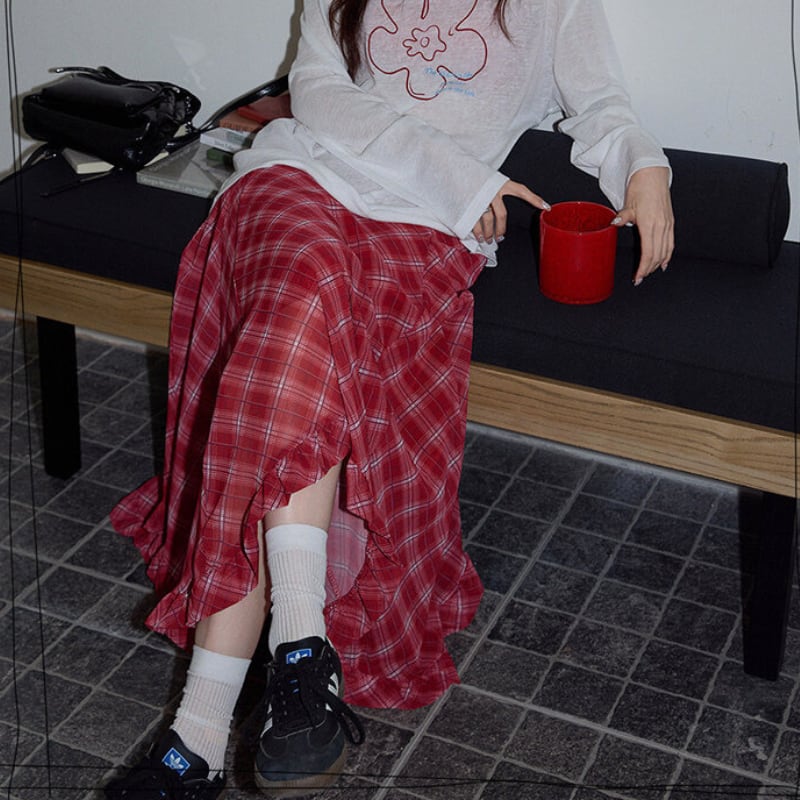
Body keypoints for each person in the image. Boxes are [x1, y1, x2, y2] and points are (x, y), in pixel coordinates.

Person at [105, 0, 674, 797]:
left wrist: (645, 168)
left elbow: (601, 103)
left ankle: (195, 740)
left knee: (294, 363)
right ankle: (301, 648)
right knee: (304, 294)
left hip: (423, 224)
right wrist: (462, 176)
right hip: (297, 182)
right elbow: (319, 93)